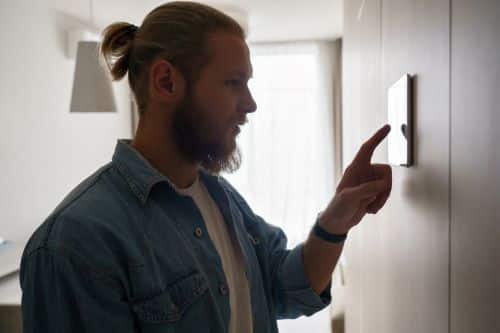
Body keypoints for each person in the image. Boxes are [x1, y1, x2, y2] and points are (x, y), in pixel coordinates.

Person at [19, 1, 392, 332]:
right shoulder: (73, 245)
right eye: (234, 83)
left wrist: (337, 217)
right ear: (166, 82)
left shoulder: (220, 197)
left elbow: (286, 285)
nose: (250, 104)